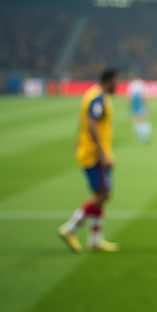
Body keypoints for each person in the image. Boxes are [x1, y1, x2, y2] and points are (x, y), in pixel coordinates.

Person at [57, 69, 120, 253]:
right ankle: (70, 229)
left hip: (90, 152)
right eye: (117, 80)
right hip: (94, 155)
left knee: (100, 195)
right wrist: (104, 154)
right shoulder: (98, 98)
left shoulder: (92, 94)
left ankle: (95, 240)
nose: (118, 84)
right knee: (103, 195)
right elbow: (92, 123)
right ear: (109, 80)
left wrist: (78, 141)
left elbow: (84, 122)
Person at [128, 76, 151, 143]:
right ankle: (144, 137)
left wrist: (129, 108)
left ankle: (141, 137)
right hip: (140, 106)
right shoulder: (141, 84)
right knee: (142, 121)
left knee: (136, 122)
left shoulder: (132, 85)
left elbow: (130, 98)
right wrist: (148, 108)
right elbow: (144, 97)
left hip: (135, 106)